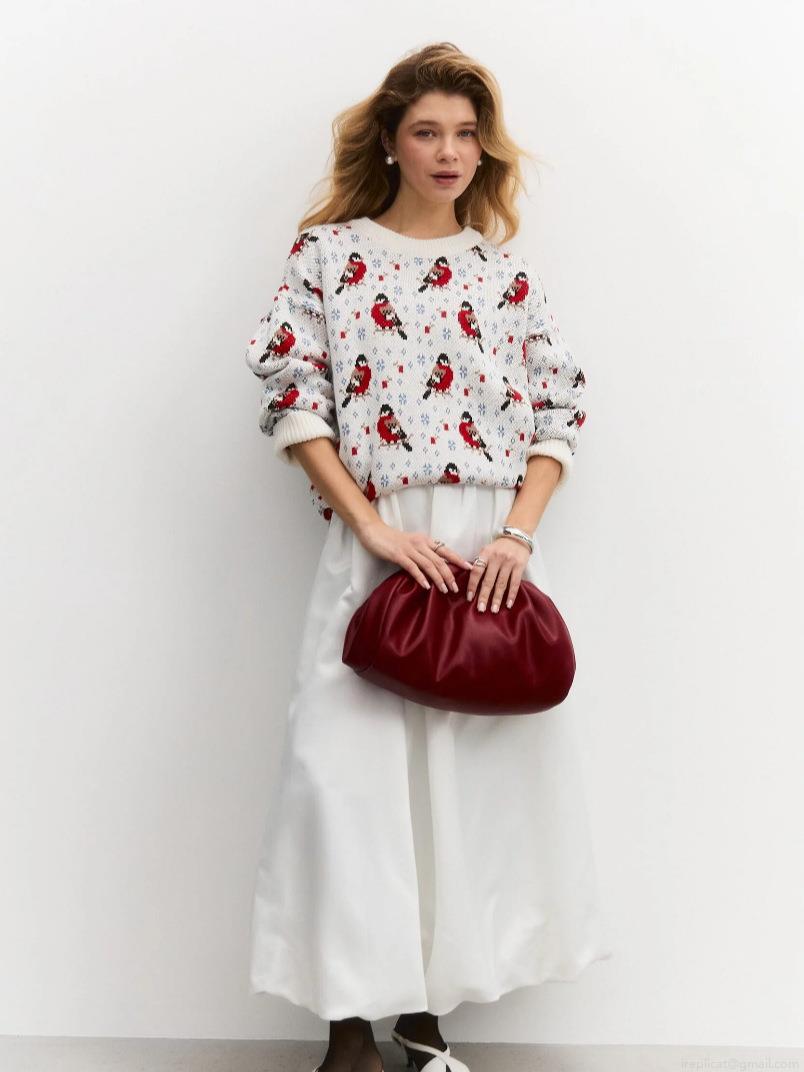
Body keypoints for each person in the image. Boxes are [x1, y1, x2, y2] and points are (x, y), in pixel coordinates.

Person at [243, 41, 612, 1072]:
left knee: (460, 793)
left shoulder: (503, 273)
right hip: (378, 546)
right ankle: (347, 1033)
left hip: (486, 553)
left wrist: (517, 533)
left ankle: (423, 1022)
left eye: (465, 134)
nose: (449, 152)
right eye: (427, 132)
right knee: (344, 781)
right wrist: (369, 526)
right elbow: (291, 394)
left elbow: (561, 407)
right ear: (390, 143)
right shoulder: (328, 256)